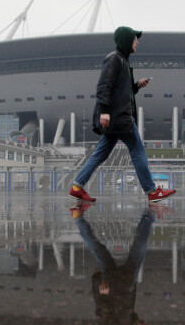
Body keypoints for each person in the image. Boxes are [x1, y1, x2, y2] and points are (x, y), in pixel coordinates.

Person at [69, 26, 176, 203]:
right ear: (126, 41)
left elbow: (121, 92)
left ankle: (77, 187)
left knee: (100, 153)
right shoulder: (114, 59)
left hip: (117, 117)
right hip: (119, 117)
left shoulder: (123, 62)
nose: (137, 42)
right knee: (138, 150)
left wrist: (136, 86)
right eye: (135, 39)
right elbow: (104, 86)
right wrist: (104, 111)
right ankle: (151, 191)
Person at [69, 203, 154, 325]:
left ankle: (149, 215)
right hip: (113, 287)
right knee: (98, 250)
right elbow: (122, 316)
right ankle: (78, 218)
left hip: (123, 288)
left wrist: (103, 296)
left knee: (139, 248)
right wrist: (136, 320)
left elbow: (103, 317)